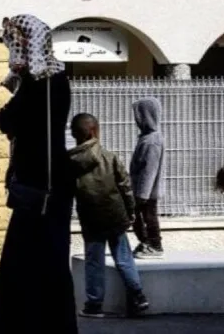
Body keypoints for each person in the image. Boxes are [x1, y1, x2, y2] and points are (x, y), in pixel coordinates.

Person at [0, 14, 77, 334]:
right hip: (44, 186)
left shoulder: (42, 83)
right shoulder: (50, 80)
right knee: (38, 262)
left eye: (21, 41)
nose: (16, 48)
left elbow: (6, 120)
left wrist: (19, 86)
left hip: (42, 189)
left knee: (31, 263)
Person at [68, 113, 149, 318]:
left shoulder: (69, 162)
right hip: (114, 215)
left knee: (93, 261)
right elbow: (125, 186)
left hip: (90, 217)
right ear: (95, 131)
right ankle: (138, 296)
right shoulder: (109, 156)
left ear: (75, 134)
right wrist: (131, 211)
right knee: (123, 258)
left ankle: (94, 305)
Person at [130, 97, 166, 259]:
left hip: (146, 192)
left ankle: (154, 245)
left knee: (148, 217)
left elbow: (149, 170)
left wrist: (141, 195)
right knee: (141, 217)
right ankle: (146, 242)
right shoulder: (148, 138)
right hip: (143, 190)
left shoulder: (152, 141)